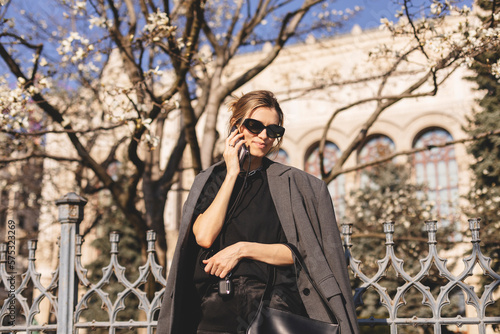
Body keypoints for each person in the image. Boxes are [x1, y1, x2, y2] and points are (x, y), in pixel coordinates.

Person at [157, 90, 359, 334]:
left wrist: (242, 250)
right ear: (236, 127)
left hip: (272, 310)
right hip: (212, 313)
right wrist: (231, 173)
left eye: (274, 131)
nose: (264, 136)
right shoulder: (210, 180)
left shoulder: (293, 184)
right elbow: (204, 236)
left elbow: (303, 254)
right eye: (255, 126)